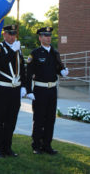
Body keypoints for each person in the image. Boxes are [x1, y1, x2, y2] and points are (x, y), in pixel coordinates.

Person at [26, 27, 69, 155]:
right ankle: (36, 145)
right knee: (39, 118)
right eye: (45, 35)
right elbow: (28, 73)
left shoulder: (54, 53)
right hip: (39, 90)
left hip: (52, 90)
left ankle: (47, 145)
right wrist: (29, 90)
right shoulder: (35, 53)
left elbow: (57, 67)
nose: (48, 38)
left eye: (49, 35)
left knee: (50, 119)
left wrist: (62, 71)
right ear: (40, 38)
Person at [0, 24, 27, 158]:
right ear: (4, 34)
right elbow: (0, 63)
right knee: (0, 119)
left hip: (15, 89)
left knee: (11, 120)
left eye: (14, 34)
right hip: (3, 88)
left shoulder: (18, 49)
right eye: (10, 34)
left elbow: (22, 69)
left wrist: (24, 86)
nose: (12, 36)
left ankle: (8, 147)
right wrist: (13, 51)